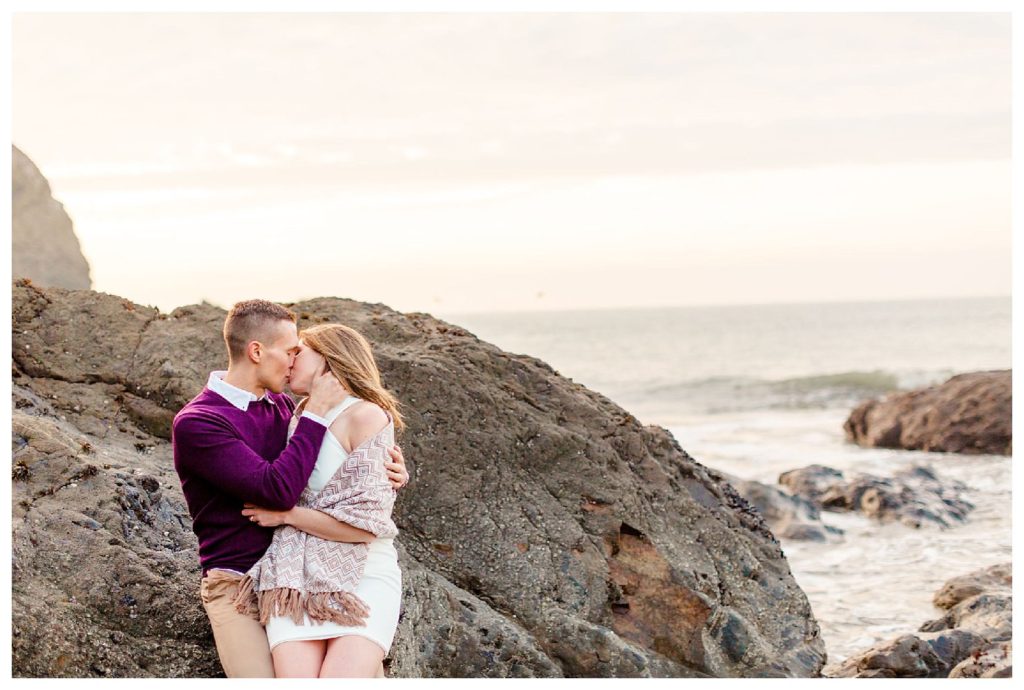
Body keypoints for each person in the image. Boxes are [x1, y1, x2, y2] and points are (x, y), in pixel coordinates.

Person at [171, 300, 409, 678]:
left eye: (301, 352)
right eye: (290, 351)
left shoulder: (284, 408)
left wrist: (388, 469)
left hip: (304, 570)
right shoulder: (199, 422)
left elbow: (331, 464)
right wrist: (315, 412)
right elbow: (277, 490)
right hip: (237, 580)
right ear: (256, 351)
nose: (294, 361)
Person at [235, 324, 405, 678]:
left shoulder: (365, 415)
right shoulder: (298, 416)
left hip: (364, 576)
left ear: (328, 360)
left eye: (300, 352)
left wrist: (287, 515)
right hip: (296, 577)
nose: (290, 360)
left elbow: (366, 527)